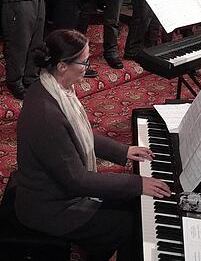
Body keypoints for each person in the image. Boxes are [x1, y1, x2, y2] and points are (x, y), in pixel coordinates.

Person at [16, 29, 172, 261]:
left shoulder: (52, 89)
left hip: (59, 194)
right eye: (84, 62)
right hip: (52, 208)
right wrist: (137, 183)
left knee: (132, 203)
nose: (88, 67)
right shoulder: (46, 113)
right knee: (132, 224)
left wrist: (124, 151)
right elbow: (76, 180)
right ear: (62, 66)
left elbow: (81, 135)